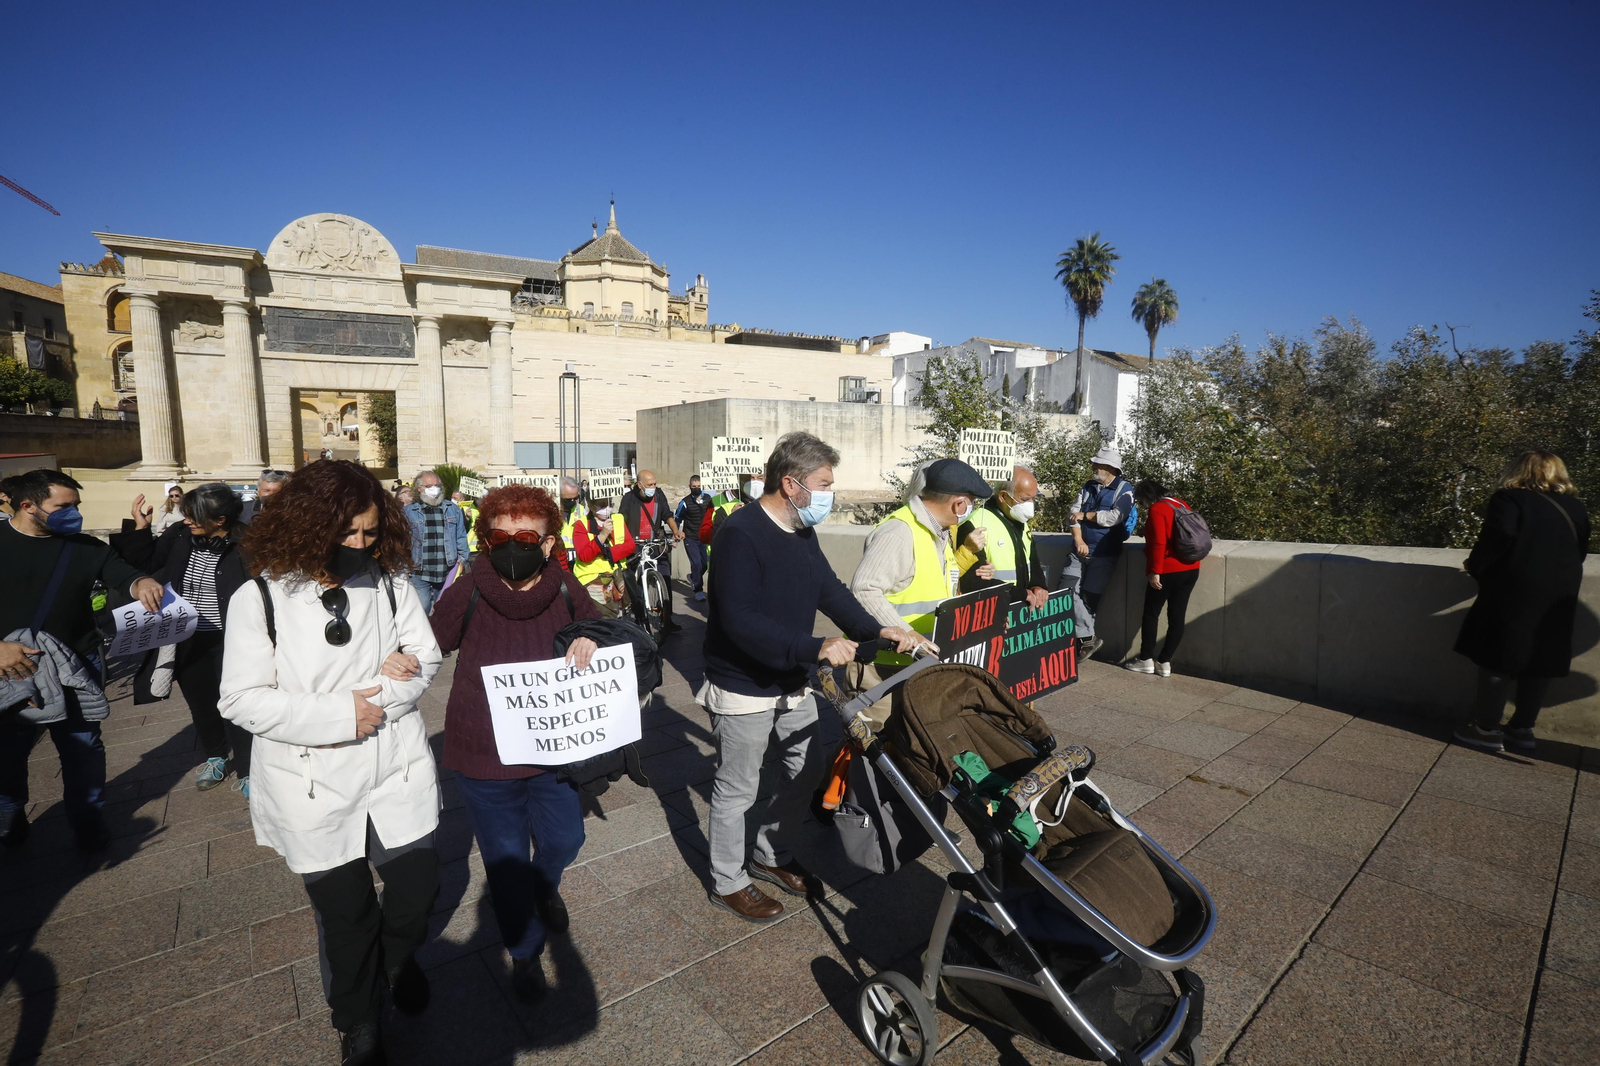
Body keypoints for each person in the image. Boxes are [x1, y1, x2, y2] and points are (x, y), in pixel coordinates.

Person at [219, 460, 442, 1066]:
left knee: (417, 892)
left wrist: (388, 690)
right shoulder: (259, 596)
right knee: (346, 917)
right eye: (347, 534)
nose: (360, 546)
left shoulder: (390, 583)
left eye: (371, 533)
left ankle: (396, 962)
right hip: (310, 778)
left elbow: (425, 657)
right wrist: (341, 715)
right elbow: (241, 698)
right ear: (307, 525)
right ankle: (358, 1018)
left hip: (394, 765)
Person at [701, 432, 926, 921]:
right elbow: (738, 618)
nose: (830, 494)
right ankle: (727, 879)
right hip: (744, 684)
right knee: (737, 788)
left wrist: (878, 629)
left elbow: (831, 591)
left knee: (806, 771)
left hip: (791, 678)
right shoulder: (739, 533)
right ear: (790, 484)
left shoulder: (802, 532)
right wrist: (815, 646)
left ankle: (770, 852)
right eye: (823, 484)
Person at [429, 485, 603, 1002]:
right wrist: (398, 658)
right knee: (505, 861)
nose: (513, 544)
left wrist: (593, 637)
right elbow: (428, 643)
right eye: (499, 535)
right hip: (483, 752)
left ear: (549, 543)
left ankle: (543, 885)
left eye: (527, 535)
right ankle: (524, 952)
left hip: (552, 750)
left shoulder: (566, 585)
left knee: (567, 840)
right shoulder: (470, 587)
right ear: (484, 539)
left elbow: (600, 628)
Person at [0, 469, 164, 850]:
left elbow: (123, 574)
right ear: (28, 505)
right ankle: (9, 814)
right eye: (64, 506)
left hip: (77, 661)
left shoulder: (86, 547)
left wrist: (142, 583)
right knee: (8, 749)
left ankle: (88, 819)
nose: (74, 514)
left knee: (83, 746)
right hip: (11, 665)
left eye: (76, 505)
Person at [1453, 451, 1590, 753]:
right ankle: (1523, 729)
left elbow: (1497, 538)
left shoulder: (1509, 499)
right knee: (1542, 658)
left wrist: (1475, 566)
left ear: (1519, 470)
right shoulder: (1575, 507)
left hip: (1514, 589)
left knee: (1497, 655)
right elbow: (1579, 550)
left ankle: (1486, 729)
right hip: (1560, 591)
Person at [147, 483, 258, 792]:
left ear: (220, 519)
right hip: (187, 637)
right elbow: (147, 563)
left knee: (237, 704)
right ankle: (216, 756)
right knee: (201, 704)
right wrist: (139, 531)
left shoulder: (248, 543)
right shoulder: (181, 536)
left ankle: (248, 770)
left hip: (233, 638)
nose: (187, 521)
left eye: (194, 515)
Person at [853, 457, 991, 669]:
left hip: (920, 665)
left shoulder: (940, 533)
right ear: (959, 504)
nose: (971, 508)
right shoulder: (899, 533)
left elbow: (943, 595)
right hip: (884, 667)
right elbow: (864, 590)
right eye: (971, 502)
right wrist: (908, 636)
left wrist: (981, 620)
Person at [1122, 480, 1203, 677]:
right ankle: (1165, 662)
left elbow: (1159, 542)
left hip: (1167, 569)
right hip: (1191, 568)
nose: (1142, 505)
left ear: (1146, 496)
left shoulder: (1157, 509)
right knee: (1177, 617)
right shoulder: (1180, 503)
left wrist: (1154, 571)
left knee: (1151, 614)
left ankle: (1146, 660)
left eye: (1141, 501)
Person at [1068, 446, 1138, 660]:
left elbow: (1114, 518)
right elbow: (1072, 514)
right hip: (1077, 551)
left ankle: (1081, 646)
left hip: (1105, 554)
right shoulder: (1088, 486)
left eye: (1097, 464)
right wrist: (1078, 539)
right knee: (1066, 591)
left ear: (1111, 468)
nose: (1093, 467)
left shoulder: (1125, 490)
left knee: (1089, 600)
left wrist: (1086, 515)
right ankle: (1089, 638)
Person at [957, 465, 1051, 610]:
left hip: (1022, 610)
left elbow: (1033, 560)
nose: (1030, 505)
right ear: (1003, 496)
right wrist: (1020, 594)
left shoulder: (1021, 522)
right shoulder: (975, 524)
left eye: (1033, 498)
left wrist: (1038, 585)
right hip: (993, 611)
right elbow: (973, 582)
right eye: (1025, 499)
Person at [617, 470, 682, 632]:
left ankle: (666, 618)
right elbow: (622, 518)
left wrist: (675, 530)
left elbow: (667, 514)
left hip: (656, 542)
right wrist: (623, 540)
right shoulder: (629, 498)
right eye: (649, 485)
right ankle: (640, 616)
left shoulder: (659, 495)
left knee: (665, 577)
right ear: (639, 485)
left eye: (654, 484)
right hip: (635, 543)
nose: (653, 487)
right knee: (634, 581)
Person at [403, 470, 469, 614]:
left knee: (444, 610)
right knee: (421, 609)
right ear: (419, 488)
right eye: (430, 486)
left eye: (437, 485)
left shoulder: (453, 510)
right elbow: (402, 540)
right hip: (419, 570)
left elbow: (461, 537)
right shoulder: (409, 511)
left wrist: (462, 561)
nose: (435, 489)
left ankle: (440, 635)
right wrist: (403, 565)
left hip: (447, 570)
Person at [571, 496, 636, 614]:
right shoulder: (581, 525)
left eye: (610, 504)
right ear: (591, 506)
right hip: (592, 577)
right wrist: (602, 535)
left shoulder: (618, 519)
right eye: (602, 505)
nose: (607, 509)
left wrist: (610, 552)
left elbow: (630, 545)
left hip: (617, 574)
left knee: (632, 603)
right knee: (605, 616)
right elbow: (584, 555)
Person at [675, 474, 712, 601]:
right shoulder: (685, 503)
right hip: (690, 537)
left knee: (705, 564)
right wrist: (677, 533)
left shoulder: (709, 499)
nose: (696, 488)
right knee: (696, 563)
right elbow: (677, 518)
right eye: (694, 486)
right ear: (690, 487)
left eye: (699, 486)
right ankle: (698, 590)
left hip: (705, 537)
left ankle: (693, 577)